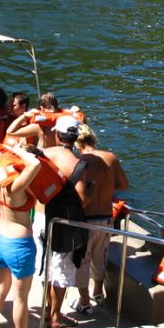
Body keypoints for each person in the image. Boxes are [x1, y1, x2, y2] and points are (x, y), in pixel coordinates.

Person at [37, 115, 89, 328]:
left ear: (56, 135)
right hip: (64, 224)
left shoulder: (43, 155)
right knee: (60, 271)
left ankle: (48, 310)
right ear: (76, 138)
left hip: (40, 217)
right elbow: (83, 199)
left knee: (45, 267)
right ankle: (55, 316)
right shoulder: (78, 164)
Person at [0, 145, 41, 328]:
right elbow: (35, 163)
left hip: (0, 238)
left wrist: (10, 150)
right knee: (20, 298)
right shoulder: (15, 187)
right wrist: (18, 150)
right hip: (19, 244)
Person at [72, 124, 130, 311]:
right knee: (100, 257)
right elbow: (123, 185)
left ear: (77, 144)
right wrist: (106, 187)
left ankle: (85, 301)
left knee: (81, 261)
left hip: (85, 219)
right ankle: (98, 292)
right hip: (106, 218)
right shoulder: (110, 157)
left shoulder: (79, 161)